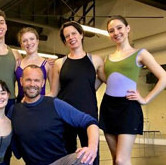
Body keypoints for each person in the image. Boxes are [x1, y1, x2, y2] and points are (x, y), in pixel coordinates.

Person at [99, 15, 166, 165]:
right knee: (115, 160)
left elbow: (164, 77)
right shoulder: (107, 58)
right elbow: (106, 81)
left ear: (128, 29)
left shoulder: (140, 53)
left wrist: (145, 99)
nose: (116, 32)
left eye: (119, 28)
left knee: (122, 160)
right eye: (111, 30)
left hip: (128, 107)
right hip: (108, 107)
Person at [9, 65, 99, 165]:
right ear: (21, 81)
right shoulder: (14, 110)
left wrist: (92, 147)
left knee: (84, 157)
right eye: (28, 80)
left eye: (36, 80)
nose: (32, 84)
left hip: (59, 162)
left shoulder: (55, 104)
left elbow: (90, 122)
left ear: (43, 83)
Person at [49, 21, 105, 165]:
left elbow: (108, 80)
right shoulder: (59, 63)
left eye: (73, 33)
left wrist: (90, 89)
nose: (71, 37)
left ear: (81, 34)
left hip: (88, 114)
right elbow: (54, 93)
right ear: (64, 41)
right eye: (67, 36)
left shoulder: (96, 60)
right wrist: (33, 101)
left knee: (92, 155)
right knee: (66, 153)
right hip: (65, 114)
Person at [15, 27, 53, 102]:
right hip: (20, 105)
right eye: (24, 41)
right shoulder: (17, 64)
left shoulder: (47, 64)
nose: (29, 43)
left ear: (37, 41)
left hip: (40, 106)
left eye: (32, 39)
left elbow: (54, 91)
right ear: (21, 45)